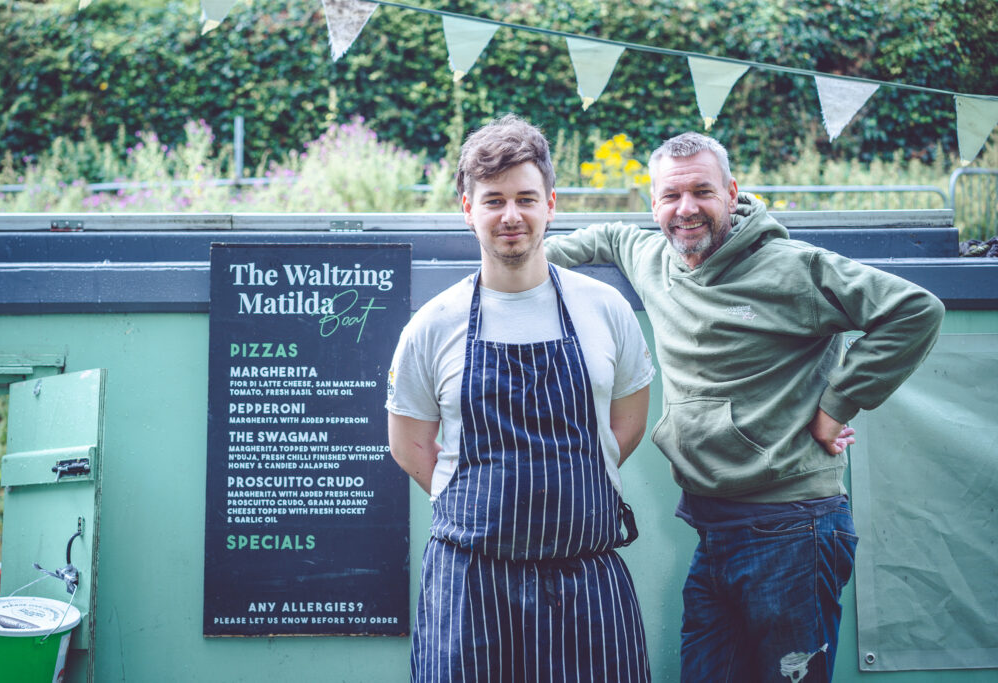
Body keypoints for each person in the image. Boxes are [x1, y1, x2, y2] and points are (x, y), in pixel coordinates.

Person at [544, 131, 945, 682]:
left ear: (732, 193)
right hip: (714, 528)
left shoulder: (794, 269)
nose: (686, 209)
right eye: (669, 196)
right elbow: (603, 238)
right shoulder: (651, 255)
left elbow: (914, 311)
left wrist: (838, 405)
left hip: (793, 529)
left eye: (702, 192)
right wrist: (510, 250)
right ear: (653, 204)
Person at [386, 114, 656, 682]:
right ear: (468, 209)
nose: (511, 216)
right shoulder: (432, 325)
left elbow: (626, 423)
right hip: (470, 583)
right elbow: (410, 445)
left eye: (526, 199)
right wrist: (484, 510)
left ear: (551, 204)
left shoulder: (604, 310)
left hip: (586, 581)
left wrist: (560, 499)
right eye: (493, 201)